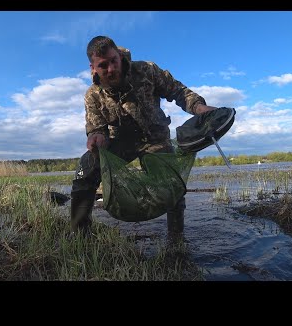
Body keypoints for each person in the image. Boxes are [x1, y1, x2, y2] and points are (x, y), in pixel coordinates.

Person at [71, 35, 217, 237]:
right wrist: (97, 138)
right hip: (120, 142)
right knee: (85, 168)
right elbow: (97, 129)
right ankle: (80, 234)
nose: (111, 69)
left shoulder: (146, 70)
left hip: (155, 138)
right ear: (93, 68)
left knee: (171, 185)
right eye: (103, 65)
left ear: (119, 55)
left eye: (114, 61)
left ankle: (176, 239)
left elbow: (178, 91)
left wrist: (199, 108)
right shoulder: (92, 95)